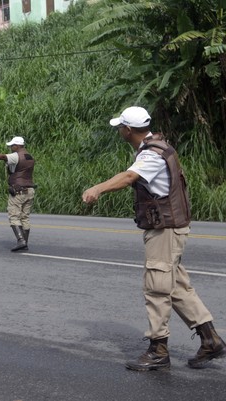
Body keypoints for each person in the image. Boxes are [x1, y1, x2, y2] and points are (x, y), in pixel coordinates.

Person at [82, 106, 225, 371]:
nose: (119, 132)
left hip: (165, 231)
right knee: (176, 286)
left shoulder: (151, 155)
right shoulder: (157, 145)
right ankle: (211, 339)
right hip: (169, 228)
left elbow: (128, 177)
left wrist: (97, 189)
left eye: (120, 128)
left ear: (128, 130)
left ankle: (158, 350)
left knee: (157, 287)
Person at [0, 136, 35, 251]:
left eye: (12, 145)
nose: (11, 147)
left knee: (14, 216)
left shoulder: (16, 156)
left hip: (18, 191)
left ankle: (21, 241)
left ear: (17, 145)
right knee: (25, 217)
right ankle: (25, 242)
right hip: (30, 190)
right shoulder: (29, 156)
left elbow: (2, 157)